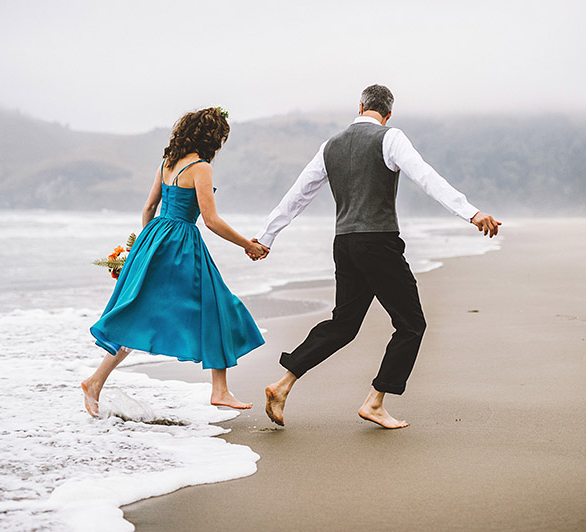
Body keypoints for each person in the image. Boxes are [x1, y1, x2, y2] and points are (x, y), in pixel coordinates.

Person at [255, 85, 501, 429]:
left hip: (344, 244)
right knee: (411, 324)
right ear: (388, 113)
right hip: (379, 243)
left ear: (360, 106)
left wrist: (267, 237)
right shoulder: (391, 137)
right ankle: (375, 401)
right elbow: (426, 177)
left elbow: (297, 195)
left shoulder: (330, 146)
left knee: (343, 325)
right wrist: (470, 213)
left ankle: (282, 386)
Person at [82, 107, 268, 416]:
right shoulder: (201, 168)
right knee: (218, 307)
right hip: (182, 246)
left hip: (155, 239)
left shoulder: (167, 163)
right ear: (212, 138)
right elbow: (210, 220)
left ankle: (96, 381)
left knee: (139, 314)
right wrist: (246, 244)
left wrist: (144, 249)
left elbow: (148, 207)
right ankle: (219, 391)